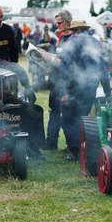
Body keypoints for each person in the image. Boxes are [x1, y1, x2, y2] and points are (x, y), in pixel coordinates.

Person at [0, 36, 45, 160]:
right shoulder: (2, 64)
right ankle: (33, 150)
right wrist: (28, 89)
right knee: (35, 111)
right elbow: (19, 70)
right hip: (1, 104)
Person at [59, 19, 111, 161]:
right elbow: (101, 67)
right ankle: (84, 149)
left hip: (73, 88)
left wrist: (64, 92)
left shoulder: (70, 42)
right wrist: (107, 89)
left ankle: (75, 152)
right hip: (90, 87)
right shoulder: (94, 42)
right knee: (81, 118)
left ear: (74, 30)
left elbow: (64, 68)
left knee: (68, 121)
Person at [44, 10, 74, 151]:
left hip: (65, 83)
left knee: (67, 115)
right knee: (54, 111)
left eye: (60, 23)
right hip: (56, 81)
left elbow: (68, 64)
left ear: (68, 23)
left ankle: (71, 146)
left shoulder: (73, 39)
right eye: (57, 23)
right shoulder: (62, 38)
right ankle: (51, 143)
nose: (58, 25)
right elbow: (59, 58)